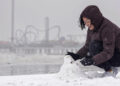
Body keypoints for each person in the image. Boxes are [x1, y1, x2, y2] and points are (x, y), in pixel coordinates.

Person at [67, 5, 120, 77]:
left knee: (94, 46)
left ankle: (110, 71)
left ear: (95, 19)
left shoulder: (107, 28)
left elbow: (108, 52)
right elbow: (87, 46)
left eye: (88, 22)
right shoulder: (92, 28)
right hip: (112, 53)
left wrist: (92, 60)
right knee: (92, 47)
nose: (86, 25)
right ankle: (110, 69)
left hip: (117, 55)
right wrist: (77, 55)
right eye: (85, 22)